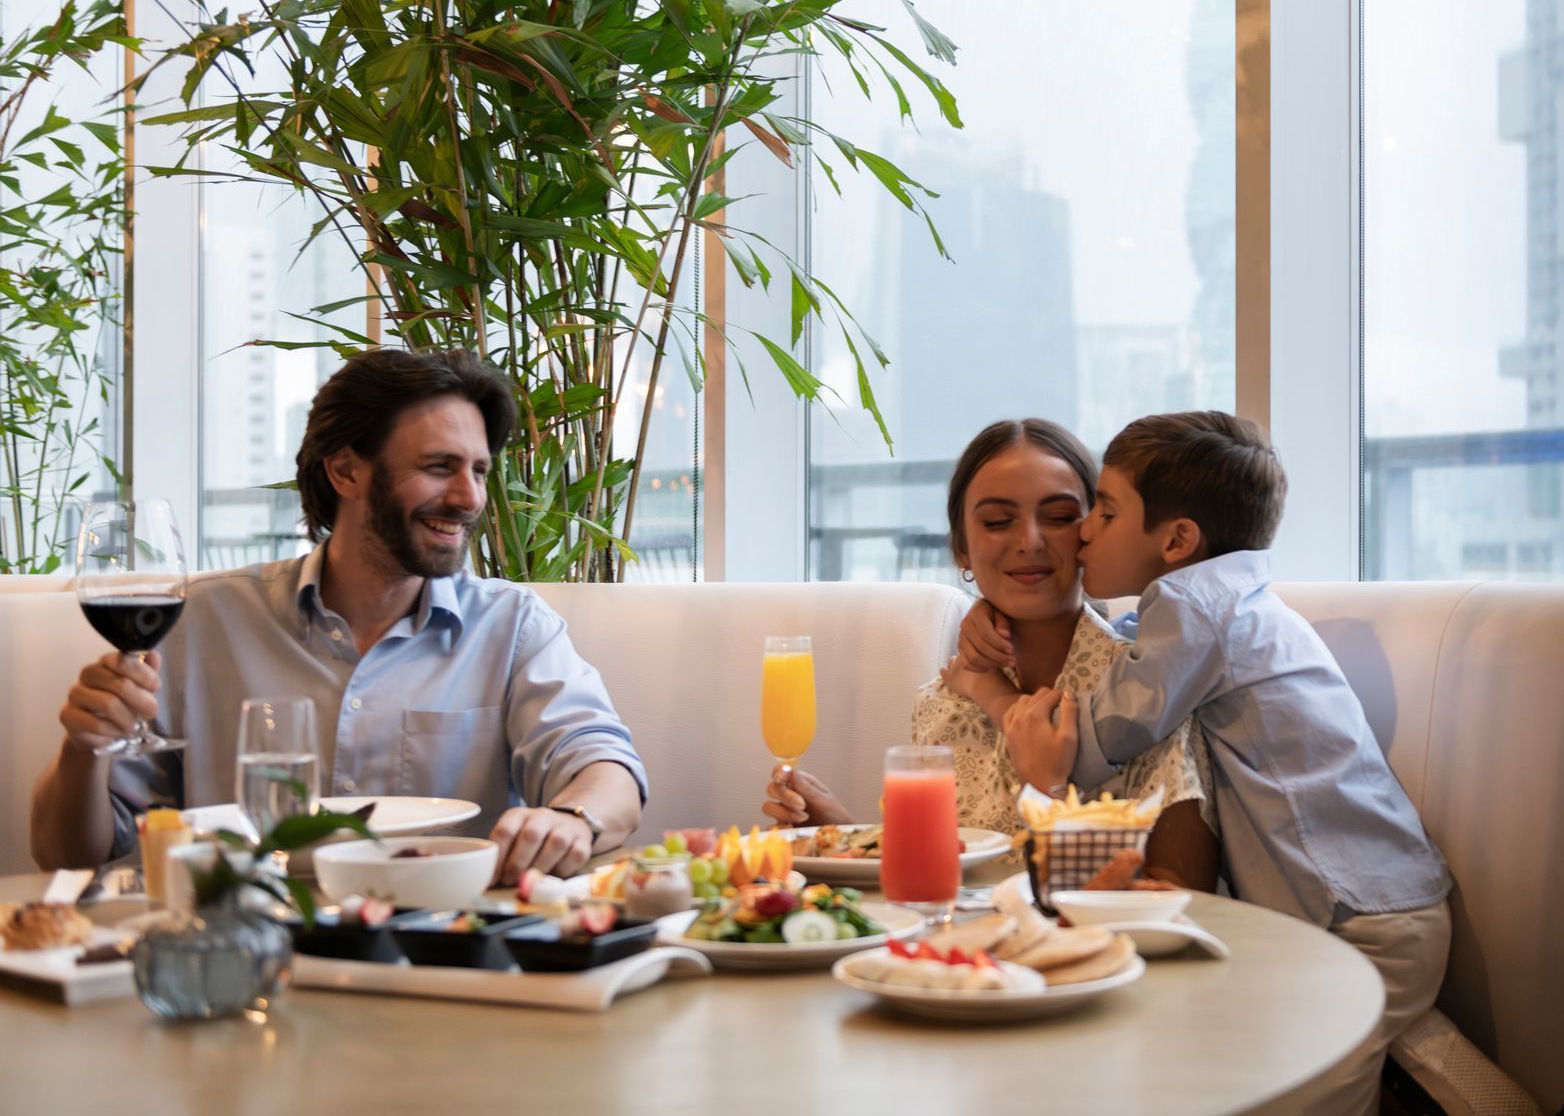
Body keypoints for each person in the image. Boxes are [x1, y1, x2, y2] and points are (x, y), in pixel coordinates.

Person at [950, 410, 1451, 1116]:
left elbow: (1091, 740)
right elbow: (1141, 651)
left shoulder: (1193, 612)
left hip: (1355, 913)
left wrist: (996, 698)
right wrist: (985, 616)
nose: (1086, 530)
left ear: (1178, 540)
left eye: (1100, 510)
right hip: (1369, 902)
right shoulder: (1216, 604)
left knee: (1323, 1091)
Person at [29, 349, 647, 884]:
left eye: (479, 470)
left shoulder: (513, 628)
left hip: (440, 956)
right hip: (247, 951)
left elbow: (604, 767)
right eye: (440, 467)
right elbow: (68, 858)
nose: (469, 498)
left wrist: (573, 819)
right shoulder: (198, 624)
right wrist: (83, 751)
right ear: (346, 470)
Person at [761, 419, 1218, 892]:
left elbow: (1187, 900)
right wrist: (847, 840)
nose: (1029, 542)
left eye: (1060, 517)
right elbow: (937, 887)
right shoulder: (942, 705)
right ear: (962, 548)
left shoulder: (1150, 690)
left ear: (1092, 533)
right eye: (998, 522)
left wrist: (1050, 796)